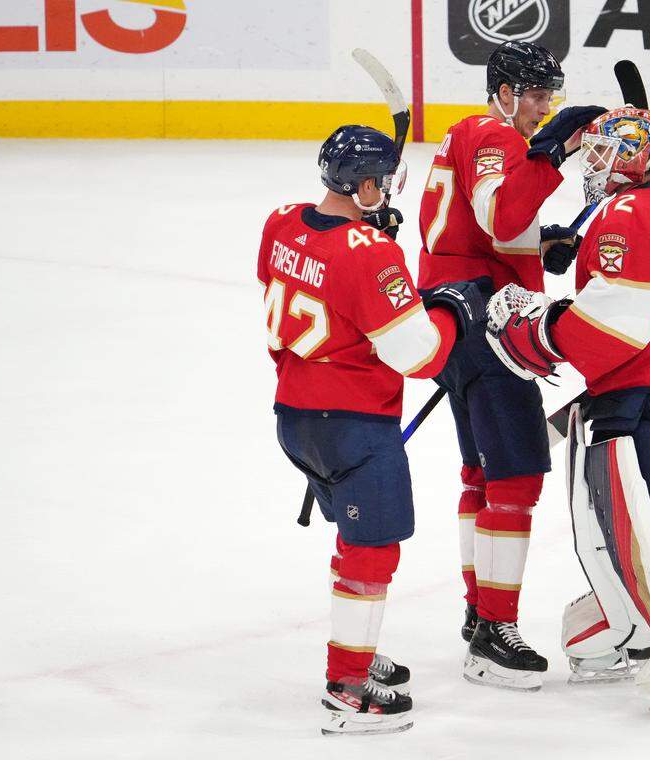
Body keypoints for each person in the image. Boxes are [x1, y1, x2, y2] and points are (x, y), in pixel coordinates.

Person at [483, 107, 650, 718]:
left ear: (630, 157)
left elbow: (611, 326)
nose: (592, 165)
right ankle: (635, 624)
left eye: (602, 153)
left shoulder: (627, 215)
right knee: (624, 524)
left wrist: (537, 330)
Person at [258, 125, 483, 734]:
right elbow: (420, 356)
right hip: (354, 427)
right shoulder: (372, 255)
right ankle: (347, 686)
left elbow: (319, 275)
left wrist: (368, 243)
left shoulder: (280, 222)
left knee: (357, 546)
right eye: (379, 184)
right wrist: (448, 311)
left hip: (296, 419)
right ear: (359, 186)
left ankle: (357, 644)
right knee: (371, 550)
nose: (386, 192)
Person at [416, 39, 604, 691]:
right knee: (518, 476)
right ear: (502, 94)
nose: (543, 107)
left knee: (481, 473)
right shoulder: (494, 134)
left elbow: (486, 227)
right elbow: (499, 215)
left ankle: (478, 612)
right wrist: (551, 152)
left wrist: (541, 242)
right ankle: (495, 632)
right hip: (487, 321)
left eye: (549, 95)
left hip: (452, 312)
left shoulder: (470, 134)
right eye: (535, 95)